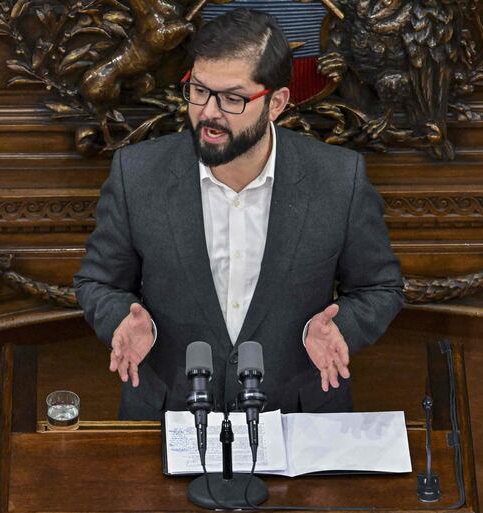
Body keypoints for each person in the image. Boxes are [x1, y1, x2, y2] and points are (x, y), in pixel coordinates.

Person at [74, 8, 404, 420]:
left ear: (277, 103)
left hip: (297, 419)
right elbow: (97, 282)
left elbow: (381, 287)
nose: (209, 113)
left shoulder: (340, 179)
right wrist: (123, 319)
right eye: (198, 90)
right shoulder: (136, 174)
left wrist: (341, 327)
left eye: (232, 98)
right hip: (168, 417)